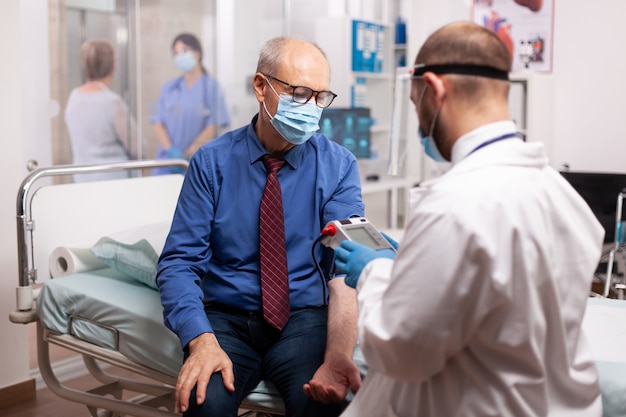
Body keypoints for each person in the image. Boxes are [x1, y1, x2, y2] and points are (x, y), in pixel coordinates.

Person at [335, 21, 604, 417]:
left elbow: (400, 352)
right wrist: (411, 266)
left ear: (435, 90)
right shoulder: (559, 193)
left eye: (415, 104)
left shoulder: (454, 204)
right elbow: (498, 299)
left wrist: (375, 272)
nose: (419, 120)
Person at [156, 36, 364, 417]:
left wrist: (337, 356)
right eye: (299, 93)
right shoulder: (211, 164)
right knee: (204, 404)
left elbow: (343, 268)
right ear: (260, 87)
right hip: (226, 320)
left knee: (320, 403)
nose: (311, 108)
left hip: (303, 319)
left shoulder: (338, 166)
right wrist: (200, 340)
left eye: (320, 98)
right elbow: (179, 263)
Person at [151, 33, 230, 175]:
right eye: (176, 53)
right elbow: (157, 123)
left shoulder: (211, 87)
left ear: (197, 53)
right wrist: (171, 150)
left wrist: (189, 153)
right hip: (166, 162)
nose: (179, 56)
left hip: (196, 161)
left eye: (183, 51)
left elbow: (213, 126)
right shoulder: (169, 88)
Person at [65, 39, 138, 182]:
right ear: (113, 66)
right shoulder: (112, 102)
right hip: (111, 182)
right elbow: (137, 146)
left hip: (82, 180)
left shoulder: (73, 97)